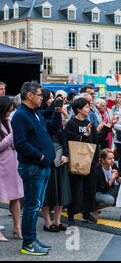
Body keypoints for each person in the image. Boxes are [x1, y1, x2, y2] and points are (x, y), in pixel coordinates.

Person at [11, 81, 59, 255]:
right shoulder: (20, 115)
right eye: (39, 95)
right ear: (29, 95)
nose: (42, 98)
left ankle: (33, 239)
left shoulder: (34, 113)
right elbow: (21, 143)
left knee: (35, 205)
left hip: (42, 166)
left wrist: (57, 112)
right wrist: (41, 156)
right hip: (33, 167)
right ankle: (28, 243)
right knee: (32, 206)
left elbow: (50, 128)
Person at [65, 97, 110, 225]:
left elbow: (97, 140)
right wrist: (83, 136)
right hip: (77, 160)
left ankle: (87, 213)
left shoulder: (88, 123)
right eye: (86, 107)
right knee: (76, 188)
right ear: (78, 109)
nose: (89, 109)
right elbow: (69, 140)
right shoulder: (71, 124)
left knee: (89, 188)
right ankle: (71, 215)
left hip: (90, 161)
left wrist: (106, 128)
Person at [39, 89, 71, 233]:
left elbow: (62, 135)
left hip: (59, 153)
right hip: (47, 154)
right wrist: (56, 110)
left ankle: (57, 221)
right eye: (51, 98)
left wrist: (66, 154)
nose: (53, 100)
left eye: (54, 98)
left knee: (60, 189)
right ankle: (47, 222)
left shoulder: (57, 113)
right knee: (48, 190)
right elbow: (52, 129)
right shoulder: (39, 116)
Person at [0, 96, 24, 242]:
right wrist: (10, 138)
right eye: (8, 110)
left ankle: (17, 227)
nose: (10, 113)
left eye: (11, 110)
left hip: (13, 164)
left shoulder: (9, 121)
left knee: (16, 196)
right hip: (2, 165)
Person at [94, 148, 121, 216]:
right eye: (109, 159)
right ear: (103, 160)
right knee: (110, 201)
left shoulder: (113, 166)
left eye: (113, 158)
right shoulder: (98, 169)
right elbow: (103, 189)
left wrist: (117, 176)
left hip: (107, 191)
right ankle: (93, 209)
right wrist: (111, 178)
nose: (112, 160)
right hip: (97, 193)